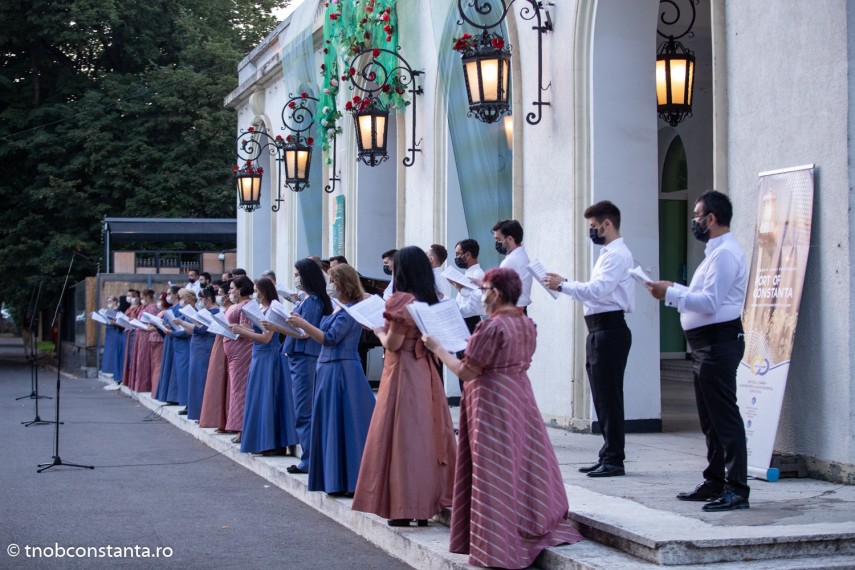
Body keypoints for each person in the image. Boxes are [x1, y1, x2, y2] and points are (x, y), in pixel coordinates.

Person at [424, 267, 583, 568]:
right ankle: (525, 521)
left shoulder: (491, 327)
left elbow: (467, 370)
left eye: (484, 290)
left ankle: (497, 541)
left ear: (495, 293)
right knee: (522, 462)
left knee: (494, 468)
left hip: (491, 400)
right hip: (520, 394)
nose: (482, 296)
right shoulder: (527, 323)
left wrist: (439, 349)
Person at [646, 190, 750, 512]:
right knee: (709, 420)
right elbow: (701, 294)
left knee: (724, 418)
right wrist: (673, 290)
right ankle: (715, 480)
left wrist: (672, 294)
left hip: (719, 344)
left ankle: (736, 488)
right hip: (705, 346)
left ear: (712, 219)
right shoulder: (714, 254)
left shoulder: (726, 255)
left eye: (696, 215)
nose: (694, 221)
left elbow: (710, 302)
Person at [352, 246, 457, 527]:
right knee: (426, 436)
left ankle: (402, 506)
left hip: (402, 371)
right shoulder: (431, 298)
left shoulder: (400, 300)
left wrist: (376, 329)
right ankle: (423, 506)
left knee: (402, 438)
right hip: (426, 371)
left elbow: (394, 344)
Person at [544, 200, 634, 478]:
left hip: (609, 329)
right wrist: (567, 281)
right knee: (602, 396)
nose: (592, 232)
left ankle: (615, 458)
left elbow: (598, 290)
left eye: (594, 227)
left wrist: (564, 285)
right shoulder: (609, 253)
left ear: (607, 224)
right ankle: (608, 453)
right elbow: (599, 290)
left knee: (609, 397)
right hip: (600, 329)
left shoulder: (617, 255)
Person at [286, 264, 376, 494]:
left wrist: (304, 324)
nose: (330, 285)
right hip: (327, 369)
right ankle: (333, 479)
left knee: (344, 424)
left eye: (333, 281)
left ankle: (348, 480)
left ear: (343, 283)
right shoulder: (338, 308)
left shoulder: (350, 309)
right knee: (329, 424)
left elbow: (330, 338)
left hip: (342, 370)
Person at [263, 259, 331, 474]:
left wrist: (277, 326)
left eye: (297, 274)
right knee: (303, 409)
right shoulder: (310, 300)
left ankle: (309, 460)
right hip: (300, 355)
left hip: (304, 356)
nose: (295, 278)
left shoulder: (312, 301)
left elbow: (304, 333)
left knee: (304, 410)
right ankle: (310, 458)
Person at [229, 277, 298, 455]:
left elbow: (267, 338)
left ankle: (274, 443)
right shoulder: (261, 309)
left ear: (265, 291)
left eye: (257, 290)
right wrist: (243, 328)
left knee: (269, 399)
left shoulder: (273, 309)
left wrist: (242, 331)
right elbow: (259, 332)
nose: (255, 294)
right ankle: (261, 442)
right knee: (258, 398)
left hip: (270, 357)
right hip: (258, 357)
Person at [223, 275, 254, 442]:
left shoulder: (247, 305)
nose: (230, 292)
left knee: (240, 389)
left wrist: (233, 327)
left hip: (242, 350)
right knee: (235, 388)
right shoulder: (236, 305)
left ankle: (242, 429)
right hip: (233, 350)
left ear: (241, 289)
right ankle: (238, 427)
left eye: (233, 288)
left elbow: (247, 327)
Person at [182, 286, 219, 421]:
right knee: (195, 379)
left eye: (202, 299)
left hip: (204, 348)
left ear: (208, 299)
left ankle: (202, 413)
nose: (200, 302)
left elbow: (202, 330)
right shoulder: (206, 311)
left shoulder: (214, 312)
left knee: (201, 380)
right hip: (198, 348)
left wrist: (182, 322)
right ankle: (196, 411)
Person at [199, 282, 232, 431]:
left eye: (221, 293)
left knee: (224, 381)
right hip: (220, 341)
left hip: (228, 344)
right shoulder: (224, 309)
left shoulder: (233, 308)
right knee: (217, 379)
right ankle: (219, 420)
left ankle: (226, 421)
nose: (219, 297)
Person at [492, 220, 532, 311]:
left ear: (510, 239)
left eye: (498, 239)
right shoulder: (521, 254)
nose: (496, 243)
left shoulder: (510, 261)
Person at [171, 288, 196, 414]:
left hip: (188, 346)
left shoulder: (192, 312)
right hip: (182, 346)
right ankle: (186, 403)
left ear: (189, 299)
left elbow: (188, 330)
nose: (180, 301)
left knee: (187, 376)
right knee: (183, 376)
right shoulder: (185, 311)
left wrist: (172, 331)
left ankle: (189, 404)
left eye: (182, 298)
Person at [451, 239, 485, 333]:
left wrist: (455, 308)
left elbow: (474, 308)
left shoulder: (477, 275)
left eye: (458, 254)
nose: (456, 257)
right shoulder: (469, 273)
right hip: (464, 322)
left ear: (468, 255)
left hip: (470, 324)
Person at [127, 289, 158, 393]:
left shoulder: (152, 308)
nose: (141, 299)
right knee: (139, 358)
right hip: (139, 334)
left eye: (143, 297)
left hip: (146, 334)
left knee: (143, 358)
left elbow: (152, 322)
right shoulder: (143, 307)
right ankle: (138, 383)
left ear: (148, 297)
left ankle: (145, 384)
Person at [154, 286, 181, 403]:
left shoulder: (179, 308)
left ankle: (173, 397)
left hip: (175, 339)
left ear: (176, 295)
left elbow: (180, 326)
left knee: (173, 368)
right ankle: (167, 396)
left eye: (170, 294)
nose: (168, 296)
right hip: (169, 339)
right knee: (167, 366)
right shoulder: (171, 309)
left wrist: (169, 327)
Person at [148, 291, 171, 398]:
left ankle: (157, 391)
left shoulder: (167, 312)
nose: (159, 302)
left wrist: (156, 327)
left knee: (158, 366)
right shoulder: (160, 312)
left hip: (160, 339)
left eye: (161, 299)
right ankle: (155, 391)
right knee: (155, 365)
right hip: (154, 338)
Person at [100, 296, 125, 380]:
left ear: (115, 302)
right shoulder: (110, 311)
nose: (108, 303)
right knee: (109, 353)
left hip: (115, 333)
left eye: (110, 301)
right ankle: (111, 371)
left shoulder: (117, 311)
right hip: (109, 333)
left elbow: (119, 322)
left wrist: (113, 322)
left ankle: (115, 372)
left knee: (114, 352)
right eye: (107, 302)